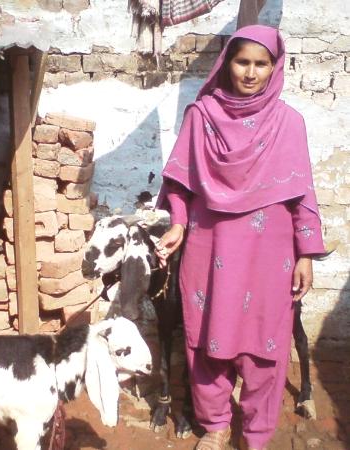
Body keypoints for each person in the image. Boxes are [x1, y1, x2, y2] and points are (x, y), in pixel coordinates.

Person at [154, 25, 325, 450]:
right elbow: (180, 184)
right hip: (210, 244)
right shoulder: (201, 116)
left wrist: (306, 253)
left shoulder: (289, 122)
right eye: (242, 61)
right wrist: (177, 224)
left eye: (261, 64)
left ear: (274, 67)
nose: (250, 73)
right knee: (206, 339)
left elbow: (302, 193)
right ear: (226, 63)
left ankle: (256, 435)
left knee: (265, 345)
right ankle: (214, 426)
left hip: (269, 252)